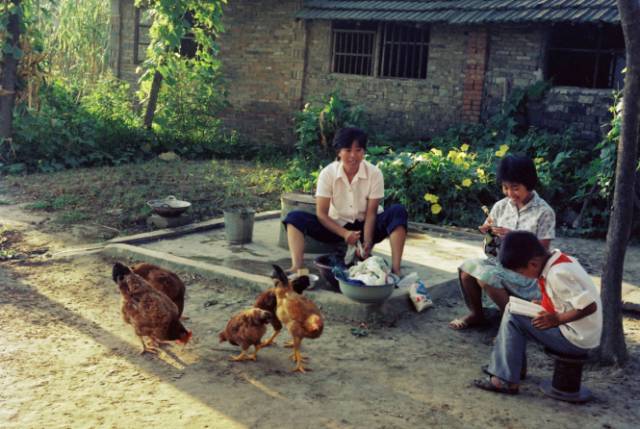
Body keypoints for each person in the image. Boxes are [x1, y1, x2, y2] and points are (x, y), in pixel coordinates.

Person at [474, 231, 602, 394]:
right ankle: (510, 370)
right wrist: (543, 304)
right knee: (513, 308)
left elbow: (590, 307)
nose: (522, 276)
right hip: (575, 330)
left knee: (513, 316)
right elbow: (566, 299)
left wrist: (557, 319)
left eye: (521, 272)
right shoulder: (558, 260)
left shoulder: (557, 274)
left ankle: (505, 379)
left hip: (576, 340)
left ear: (533, 264)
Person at [449, 155, 556, 330]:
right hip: (500, 264)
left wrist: (513, 238)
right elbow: (490, 249)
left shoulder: (544, 212)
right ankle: (477, 314)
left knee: (487, 277)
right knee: (466, 269)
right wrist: (489, 233)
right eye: (505, 188)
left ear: (528, 184)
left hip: (527, 274)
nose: (510, 193)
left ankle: (512, 325)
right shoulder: (500, 206)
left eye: (515, 188)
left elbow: (542, 253)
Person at [283, 127, 408, 275]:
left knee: (398, 212)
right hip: (336, 226)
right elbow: (322, 214)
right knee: (294, 218)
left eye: (358, 150)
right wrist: (345, 234)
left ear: (364, 151)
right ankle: (297, 266)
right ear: (339, 152)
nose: (353, 156)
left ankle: (396, 269)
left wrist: (367, 242)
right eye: (348, 150)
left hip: (367, 226)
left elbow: (371, 214)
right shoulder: (327, 174)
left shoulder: (375, 173)